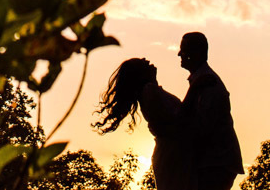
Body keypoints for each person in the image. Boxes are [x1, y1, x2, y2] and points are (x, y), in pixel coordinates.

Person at [94, 33, 243, 190]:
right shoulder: (151, 91)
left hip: (209, 160)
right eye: (142, 63)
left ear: (196, 53)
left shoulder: (203, 82)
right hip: (180, 157)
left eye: (183, 50)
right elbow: (180, 122)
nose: (179, 54)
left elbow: (195, 124)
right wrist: (193, 90)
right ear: (139, 75)